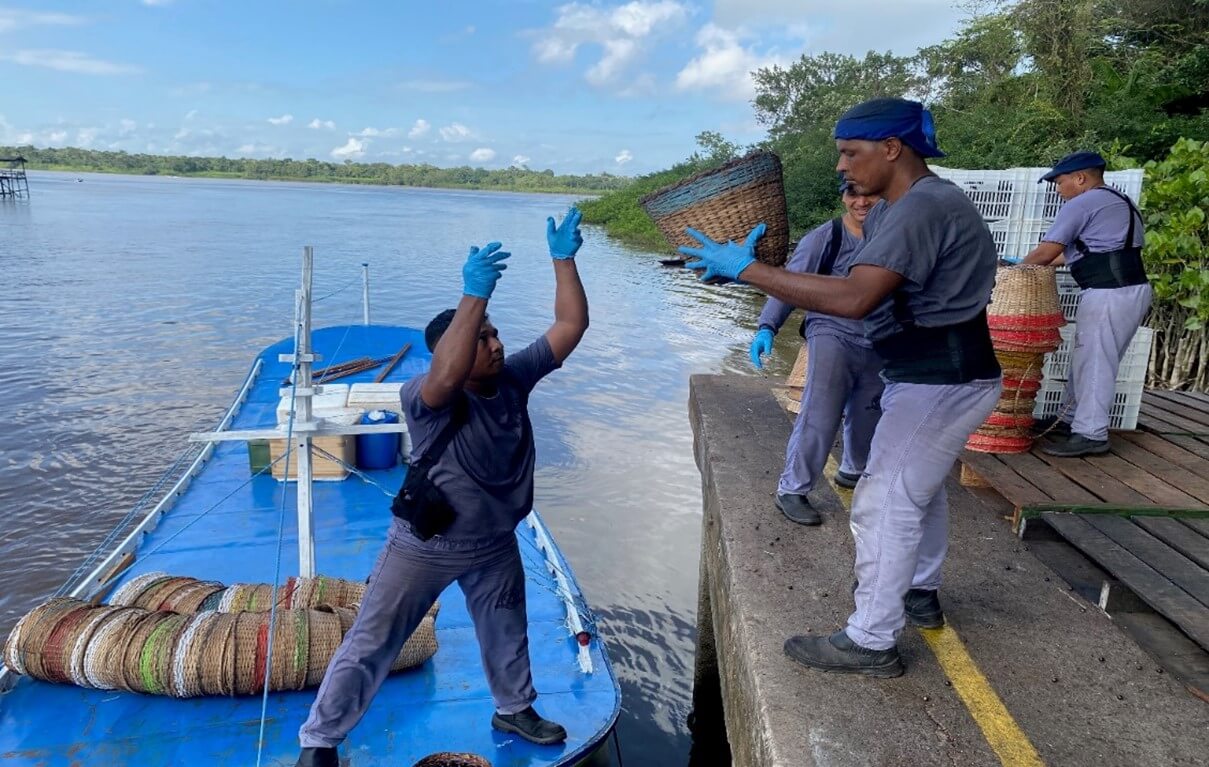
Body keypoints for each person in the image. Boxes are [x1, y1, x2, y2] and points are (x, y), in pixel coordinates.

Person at [678, 98, 1002, 676]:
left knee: (882, 504)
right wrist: (766, 287)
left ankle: (872, 639)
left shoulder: (921, 208)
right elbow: (844, 282)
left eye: (850, 153)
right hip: (935, 374)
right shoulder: (908, 205)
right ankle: (920, 590)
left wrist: (748, 271)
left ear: (892, 149)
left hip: (938, 380)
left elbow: (854, 299)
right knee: (916, 491)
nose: (841, 168)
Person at [295, 208, 589, 766]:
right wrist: (472, 296)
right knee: (373, 641)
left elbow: (570, 326)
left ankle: (513, 707)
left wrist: (564, 260)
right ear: (449, 351)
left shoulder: (514, 380)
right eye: (482, 339)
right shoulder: (427, 397)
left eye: (497, 334)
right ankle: (320, 741)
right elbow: (449, 373)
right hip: (425, 546)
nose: (497, 345)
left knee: (508, 630)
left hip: (495, 542)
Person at [750, 181, 884, 525]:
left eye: (868, 192)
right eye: (853, 194)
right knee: (821, 411)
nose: (861, 201)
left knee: (869, 408)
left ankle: (853, 469)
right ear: (843, 197)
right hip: (831, 331)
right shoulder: (826, 237)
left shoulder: (891, 234)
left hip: (878, 335)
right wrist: (767, 326)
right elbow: (788, 283)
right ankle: (792, 489)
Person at [1022, 151, 1151, 457]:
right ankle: (1070, 420)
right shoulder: (1115, 201)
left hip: (1110, 292)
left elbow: (1046, 251)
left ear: (1081, 178)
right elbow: (1068, 255)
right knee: (1088, 358)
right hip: (1126, 289)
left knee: (1095, 361)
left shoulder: (1083, 202)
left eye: (1060, 181)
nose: (1058, 188)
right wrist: (1025, 264)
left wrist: (1014, 273)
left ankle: (1091, 434)